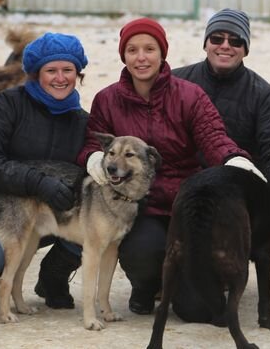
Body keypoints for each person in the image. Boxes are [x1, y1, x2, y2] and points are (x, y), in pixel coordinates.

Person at [77, 17, 260, 321]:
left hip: (184, 202)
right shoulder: (107, 100)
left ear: (162, 54)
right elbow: (91, 143)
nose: (141, 57)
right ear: (123, 55)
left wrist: (235, 159)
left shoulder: (189, 95)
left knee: (197, 310)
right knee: (142, 252)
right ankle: (147, 286)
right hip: (138, 207)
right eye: (133, 50)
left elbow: (213, 137)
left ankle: (190, 285)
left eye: (149, 49)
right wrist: (93, 158)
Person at [0, 32, 89, 309]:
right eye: (51, 70)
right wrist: (39, 183)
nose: (60, 78)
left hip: (43, 211)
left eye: (68, 70)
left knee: (95, 224)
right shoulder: (8, 104)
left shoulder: (81, 121)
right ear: (36, 73)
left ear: (78, 74)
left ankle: (55, 273)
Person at [172, 8, 270, 254]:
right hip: (179, 188)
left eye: (235, 41)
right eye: (217, 38)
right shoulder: (176, 82)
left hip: (235, 195)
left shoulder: (264, 95)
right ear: (205, 44)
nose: (225, 46)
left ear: (245, 49)